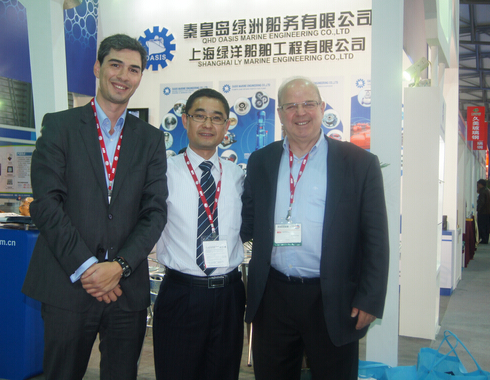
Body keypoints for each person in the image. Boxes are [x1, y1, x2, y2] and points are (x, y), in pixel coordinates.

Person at [21, 34, 168, 380]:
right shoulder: (60, 126)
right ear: (97, 68)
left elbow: (154, 211)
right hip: (67, 283)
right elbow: (47, 204)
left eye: (134, 69)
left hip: (125, 289)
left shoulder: (150, 139)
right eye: (116, 65)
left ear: (140, 77)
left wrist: (119, 266)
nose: (123, 76)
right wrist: (89, 268)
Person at [241, 77, 389, 380]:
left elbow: (376, 238)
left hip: (333, 297)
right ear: (280, 114)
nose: (300, 113)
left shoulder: (359, 163)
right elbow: (248, 220)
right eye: (291, 106)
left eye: (308, 104)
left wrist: (370, 298)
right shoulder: (261, 161)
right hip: (273, 295)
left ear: (322, 108)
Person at [152, 88, 245, 380]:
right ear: (185, 120)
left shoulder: (237, 176)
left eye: (217, 118)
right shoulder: (162, 173)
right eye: (199, 116)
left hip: (229, 296)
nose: (208, 124)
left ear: (227, 125)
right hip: (181, 294)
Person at [476, 179, 490, 245]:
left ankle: (483, 238)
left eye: (478, 185)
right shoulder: (488, 190)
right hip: (488, 211)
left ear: (480, 184)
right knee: (486, 226)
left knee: (482, 225)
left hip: (483, 212)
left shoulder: (482, 192)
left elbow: (482, 202)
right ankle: (486, 238)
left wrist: (478, 209)